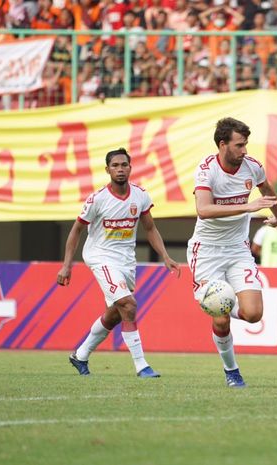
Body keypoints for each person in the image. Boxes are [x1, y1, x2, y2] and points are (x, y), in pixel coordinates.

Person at [57, 147, 180, 378]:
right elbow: (76, 231)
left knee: (115, 313)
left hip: (125, 261)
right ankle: (142, 366)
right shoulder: (97, 199)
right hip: (99, 256)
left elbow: (150, 228)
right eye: (115, 166)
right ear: (107, 170)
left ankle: (80, 355)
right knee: (129, 305)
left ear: (130, 168)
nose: (120, 169)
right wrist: (67, 265)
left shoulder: (140, 195)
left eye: (124, 165)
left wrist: (165, 256)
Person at [187, 117, 277, 388]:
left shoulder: (252, 167)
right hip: (206, 252)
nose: (244, 151)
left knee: (254, 315)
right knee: (220, 320)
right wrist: (247, 207)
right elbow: (203, 210)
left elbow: (268, 190)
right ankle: (232, 371)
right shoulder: (207, 170)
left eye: (246, 144)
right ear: (222, 145)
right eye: (239, 145)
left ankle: (219, 304)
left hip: (237, 250)